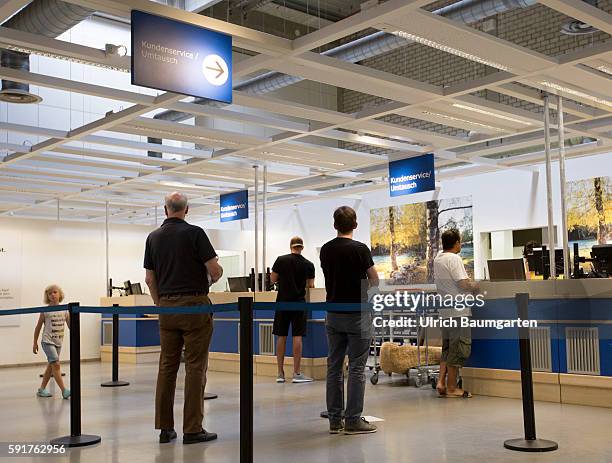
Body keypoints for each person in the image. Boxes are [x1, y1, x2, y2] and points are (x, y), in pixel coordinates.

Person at [144, 192, 223, 445]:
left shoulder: (153, 237)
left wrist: (161, 303)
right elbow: (214, 270)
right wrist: (216, 273)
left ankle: (165, 429)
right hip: (194, 306)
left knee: (167, 367)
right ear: (186, 210)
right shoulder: (196, 233)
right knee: (195, 366)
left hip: (166, 307)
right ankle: (192, 428)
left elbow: (149, 279)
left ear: (165, 210)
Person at [320, 206, 379, 435]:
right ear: (355, 225)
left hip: (333, 313)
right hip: (358, 314)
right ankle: (353, 420)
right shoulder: (360, 249)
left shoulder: (325, 250)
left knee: (334, 367)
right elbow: (374, 280)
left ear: (335, 225)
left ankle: (335, 420)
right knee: (356, 367)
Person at [434, 229, 479, 398]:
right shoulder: (454, 258)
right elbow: (463, 284)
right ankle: (452, 387)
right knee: (458, 348)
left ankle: (441, 382)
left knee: (447, 348)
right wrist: (476, 286)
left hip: (445, 311)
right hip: (458, 311)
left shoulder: (438, 259)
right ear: (457, 243)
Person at [270, 236, 316, 384]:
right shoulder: (309, 265)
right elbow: (310, 285)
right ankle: (296, 373)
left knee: (281, 336)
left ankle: (280, 373)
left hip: (282, 302)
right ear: (302, 247)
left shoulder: (280, 260)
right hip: (299, 303)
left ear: (290, 246)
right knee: (297, 336)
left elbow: (272, 279)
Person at [33, 285, 70, 399]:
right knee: (56, 364)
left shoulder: (65, 310)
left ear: (59, 294)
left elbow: (70, 325)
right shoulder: (45, 310)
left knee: (51, 366)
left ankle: (41, 389)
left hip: (58, 342)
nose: (53, 295)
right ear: (47, 296)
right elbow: (38, 327)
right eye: (50, 293)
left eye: (55, 292)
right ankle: (64, 390)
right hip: (47, 341)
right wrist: (35, 342)